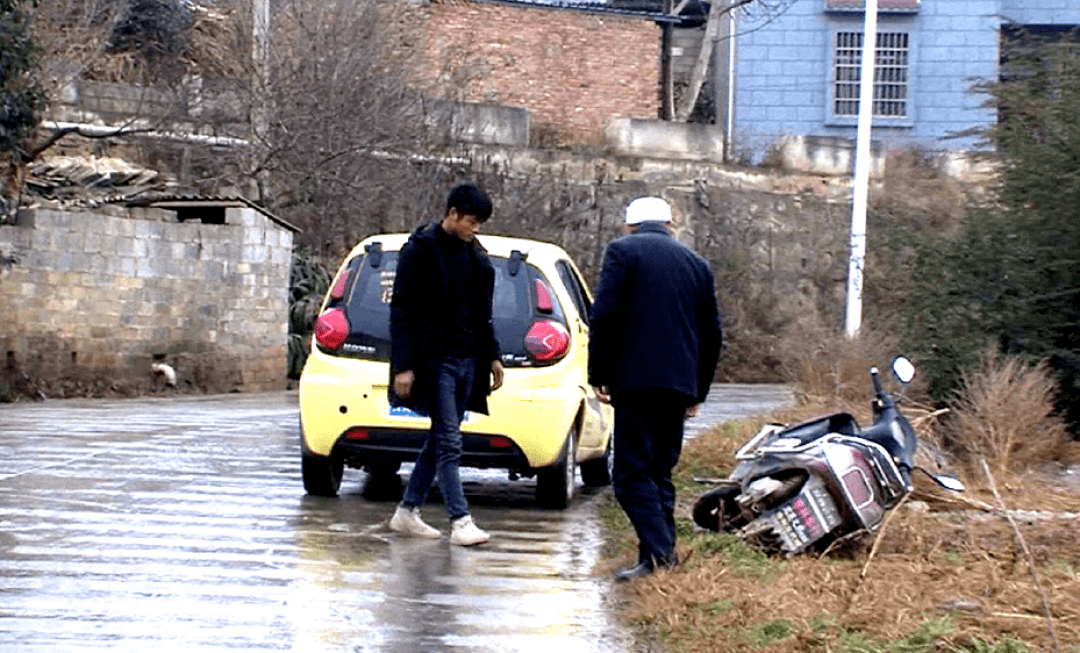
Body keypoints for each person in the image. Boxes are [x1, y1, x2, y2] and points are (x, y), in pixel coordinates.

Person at [588, 196, 722, 581]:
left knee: (631, 477)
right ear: (669, 224)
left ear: (630, 225)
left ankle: (661, 554)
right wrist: (698, 390)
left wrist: (599, 373)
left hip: (636, 381)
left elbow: (606, 315)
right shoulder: (697, 265)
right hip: (679, 384)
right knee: (660, 472)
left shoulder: (622, 252)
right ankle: (655, 559)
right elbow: (712, 333)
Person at [387, 182, 504, 546]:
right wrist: (403, 367)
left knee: (442, 439)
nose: (475, 229)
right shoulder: (420, 251)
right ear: (452, 214)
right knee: (450, 441)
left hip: (469, 358)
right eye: (471, 221)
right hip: (434, 360)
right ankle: (460, 520)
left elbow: (482, 312)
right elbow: (401, 310)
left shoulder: (476, 254)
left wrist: (493, 356)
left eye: (479, 223)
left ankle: (407, 512)